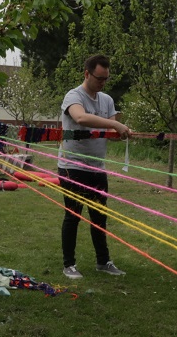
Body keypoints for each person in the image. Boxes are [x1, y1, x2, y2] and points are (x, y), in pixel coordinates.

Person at [58, 54, 131, 280]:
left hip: (97, 168)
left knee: (99, 217)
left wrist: (122, 133)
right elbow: (80, 118)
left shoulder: (107, 100)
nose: (102, 83)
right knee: (73, 216)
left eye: (106, 79)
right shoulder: (73, 96)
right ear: (87, 74)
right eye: (99, 78)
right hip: (72, 167)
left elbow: (109, 134)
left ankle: (103, 261)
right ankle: (68, 264)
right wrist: (115, 123)